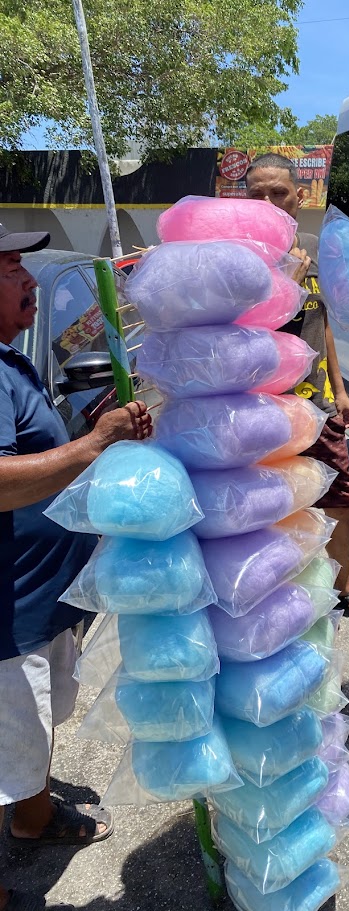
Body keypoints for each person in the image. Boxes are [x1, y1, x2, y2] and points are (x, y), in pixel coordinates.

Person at [0, 226, 153, 910]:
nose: (29, 280)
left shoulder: (12, 360)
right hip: (6, 617)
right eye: (10, 269)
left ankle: (32, 817)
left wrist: (97, 427)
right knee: (5, 743)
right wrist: (94, 443)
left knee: (31, 729)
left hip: (38, 599)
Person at [245, 154, 349, 627]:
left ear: (300, 196)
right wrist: (282, 287)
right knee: (275, 506)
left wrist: (341, 389)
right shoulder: (239, 260)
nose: (268, 202)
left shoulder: (311, 248)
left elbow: (320, 320)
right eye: (256, 194)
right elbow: (237, 335)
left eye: (279, 192)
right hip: (263, 408)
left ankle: (341, 587)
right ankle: (281, 592)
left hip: (317, 402)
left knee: (341, 500)